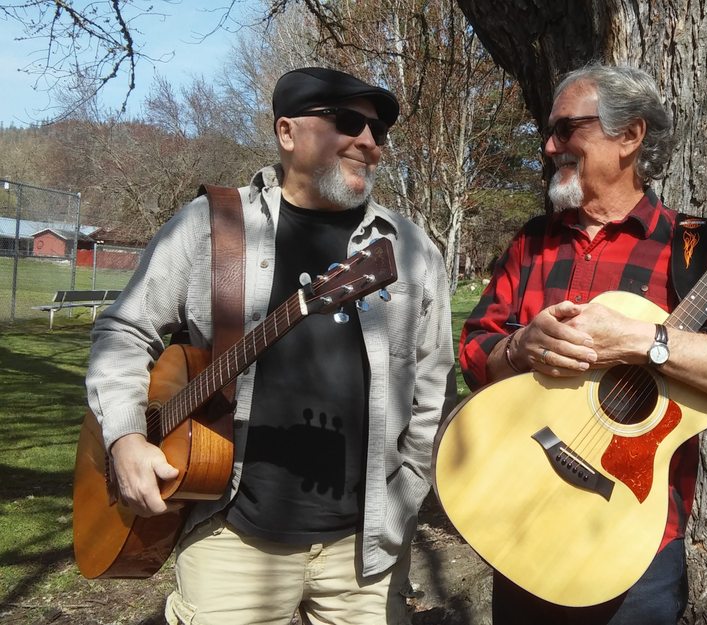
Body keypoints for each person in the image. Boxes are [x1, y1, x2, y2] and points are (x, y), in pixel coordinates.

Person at [86, 67, 455, 625]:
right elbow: (123, 330)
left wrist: (406, 494)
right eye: (347, 122)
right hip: (231, 538)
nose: (369, 143)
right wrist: (125, 437)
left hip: (366, 550)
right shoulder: (211, 226)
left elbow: (434, 383)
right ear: (287, 132)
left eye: (378, 131)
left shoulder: (409, 250)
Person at [458, 64, 707, 625]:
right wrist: (518, 347)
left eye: (566, 129)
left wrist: (645, 341)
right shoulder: (533, 243)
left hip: (631, 538)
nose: (549, 146)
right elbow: (475, 350)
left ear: (630, 135)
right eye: (548, 132)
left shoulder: (695, 248)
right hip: (520, 514)